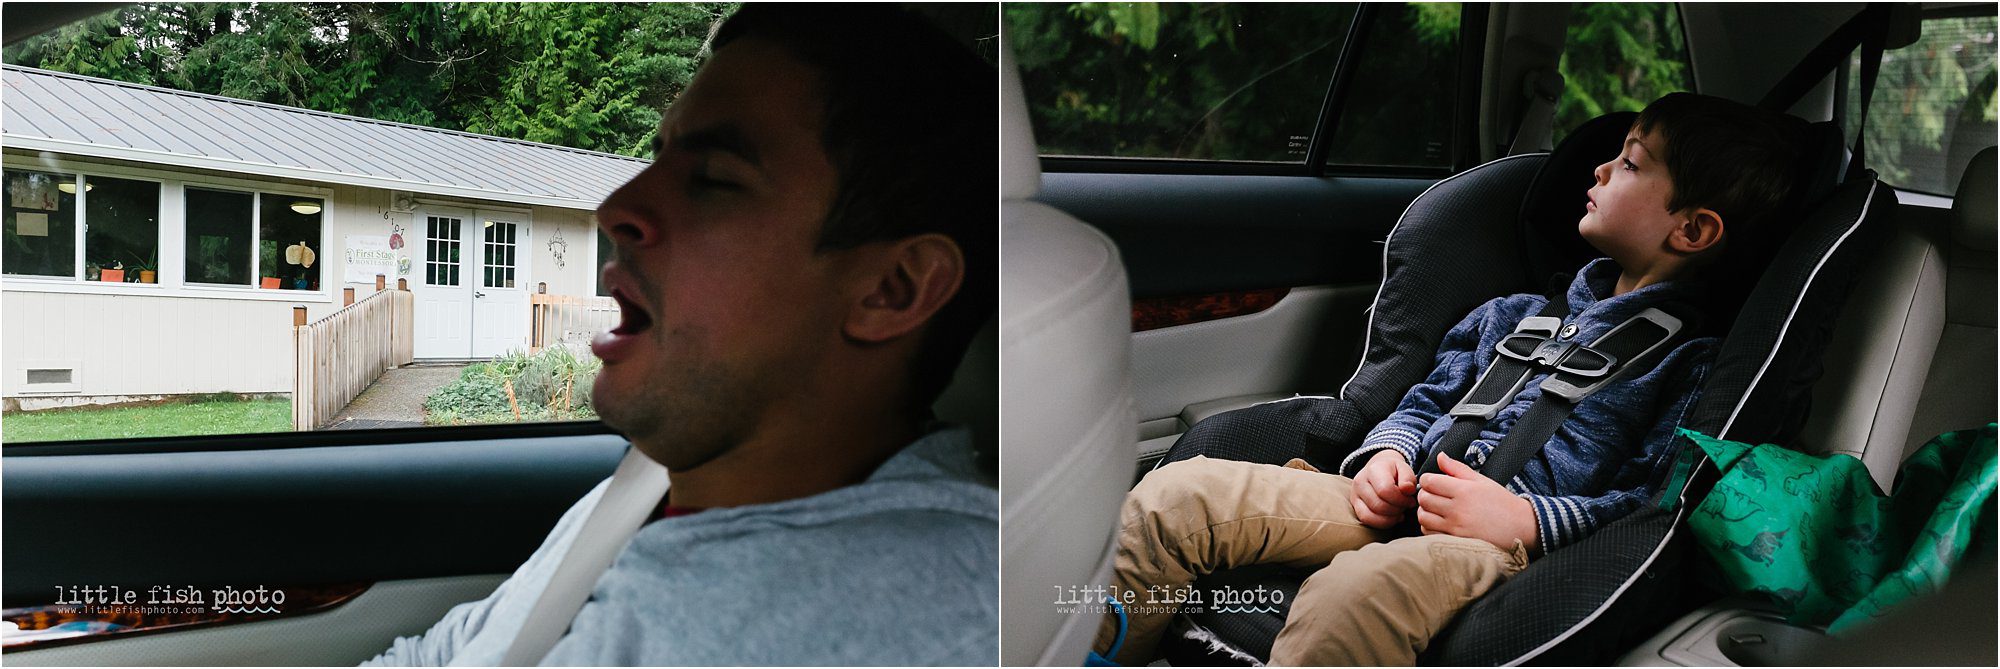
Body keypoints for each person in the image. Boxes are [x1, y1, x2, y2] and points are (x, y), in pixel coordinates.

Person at [364, 4, 997, 666]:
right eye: (657, 158)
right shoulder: (655, 485)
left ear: (892, 288)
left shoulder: (942, 622)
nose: (615, 210)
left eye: (715, 179)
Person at [1092, 93, 1809, 666]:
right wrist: (1387, 456)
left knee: (1356, 591)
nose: (1598, 171)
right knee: (1175, 495)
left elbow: (1651, 505)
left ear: (1692, 230)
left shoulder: (1688, 364)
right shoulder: (1513, 312)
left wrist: (1524, 519)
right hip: (1387, 499)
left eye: (1629, 164)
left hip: (1502, 546)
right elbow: (1424, 398)